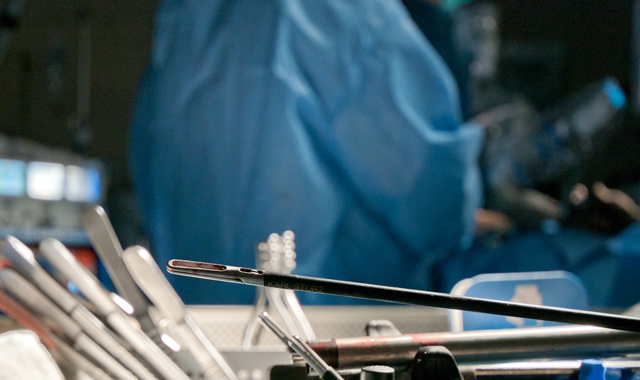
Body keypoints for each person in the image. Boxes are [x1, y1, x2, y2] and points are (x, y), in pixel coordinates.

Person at [130, 0, 640, 308]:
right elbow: (432, 207)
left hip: (204, 329)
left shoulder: (186, 17)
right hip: (319, 333)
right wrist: (490, 203)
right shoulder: (346, 15)